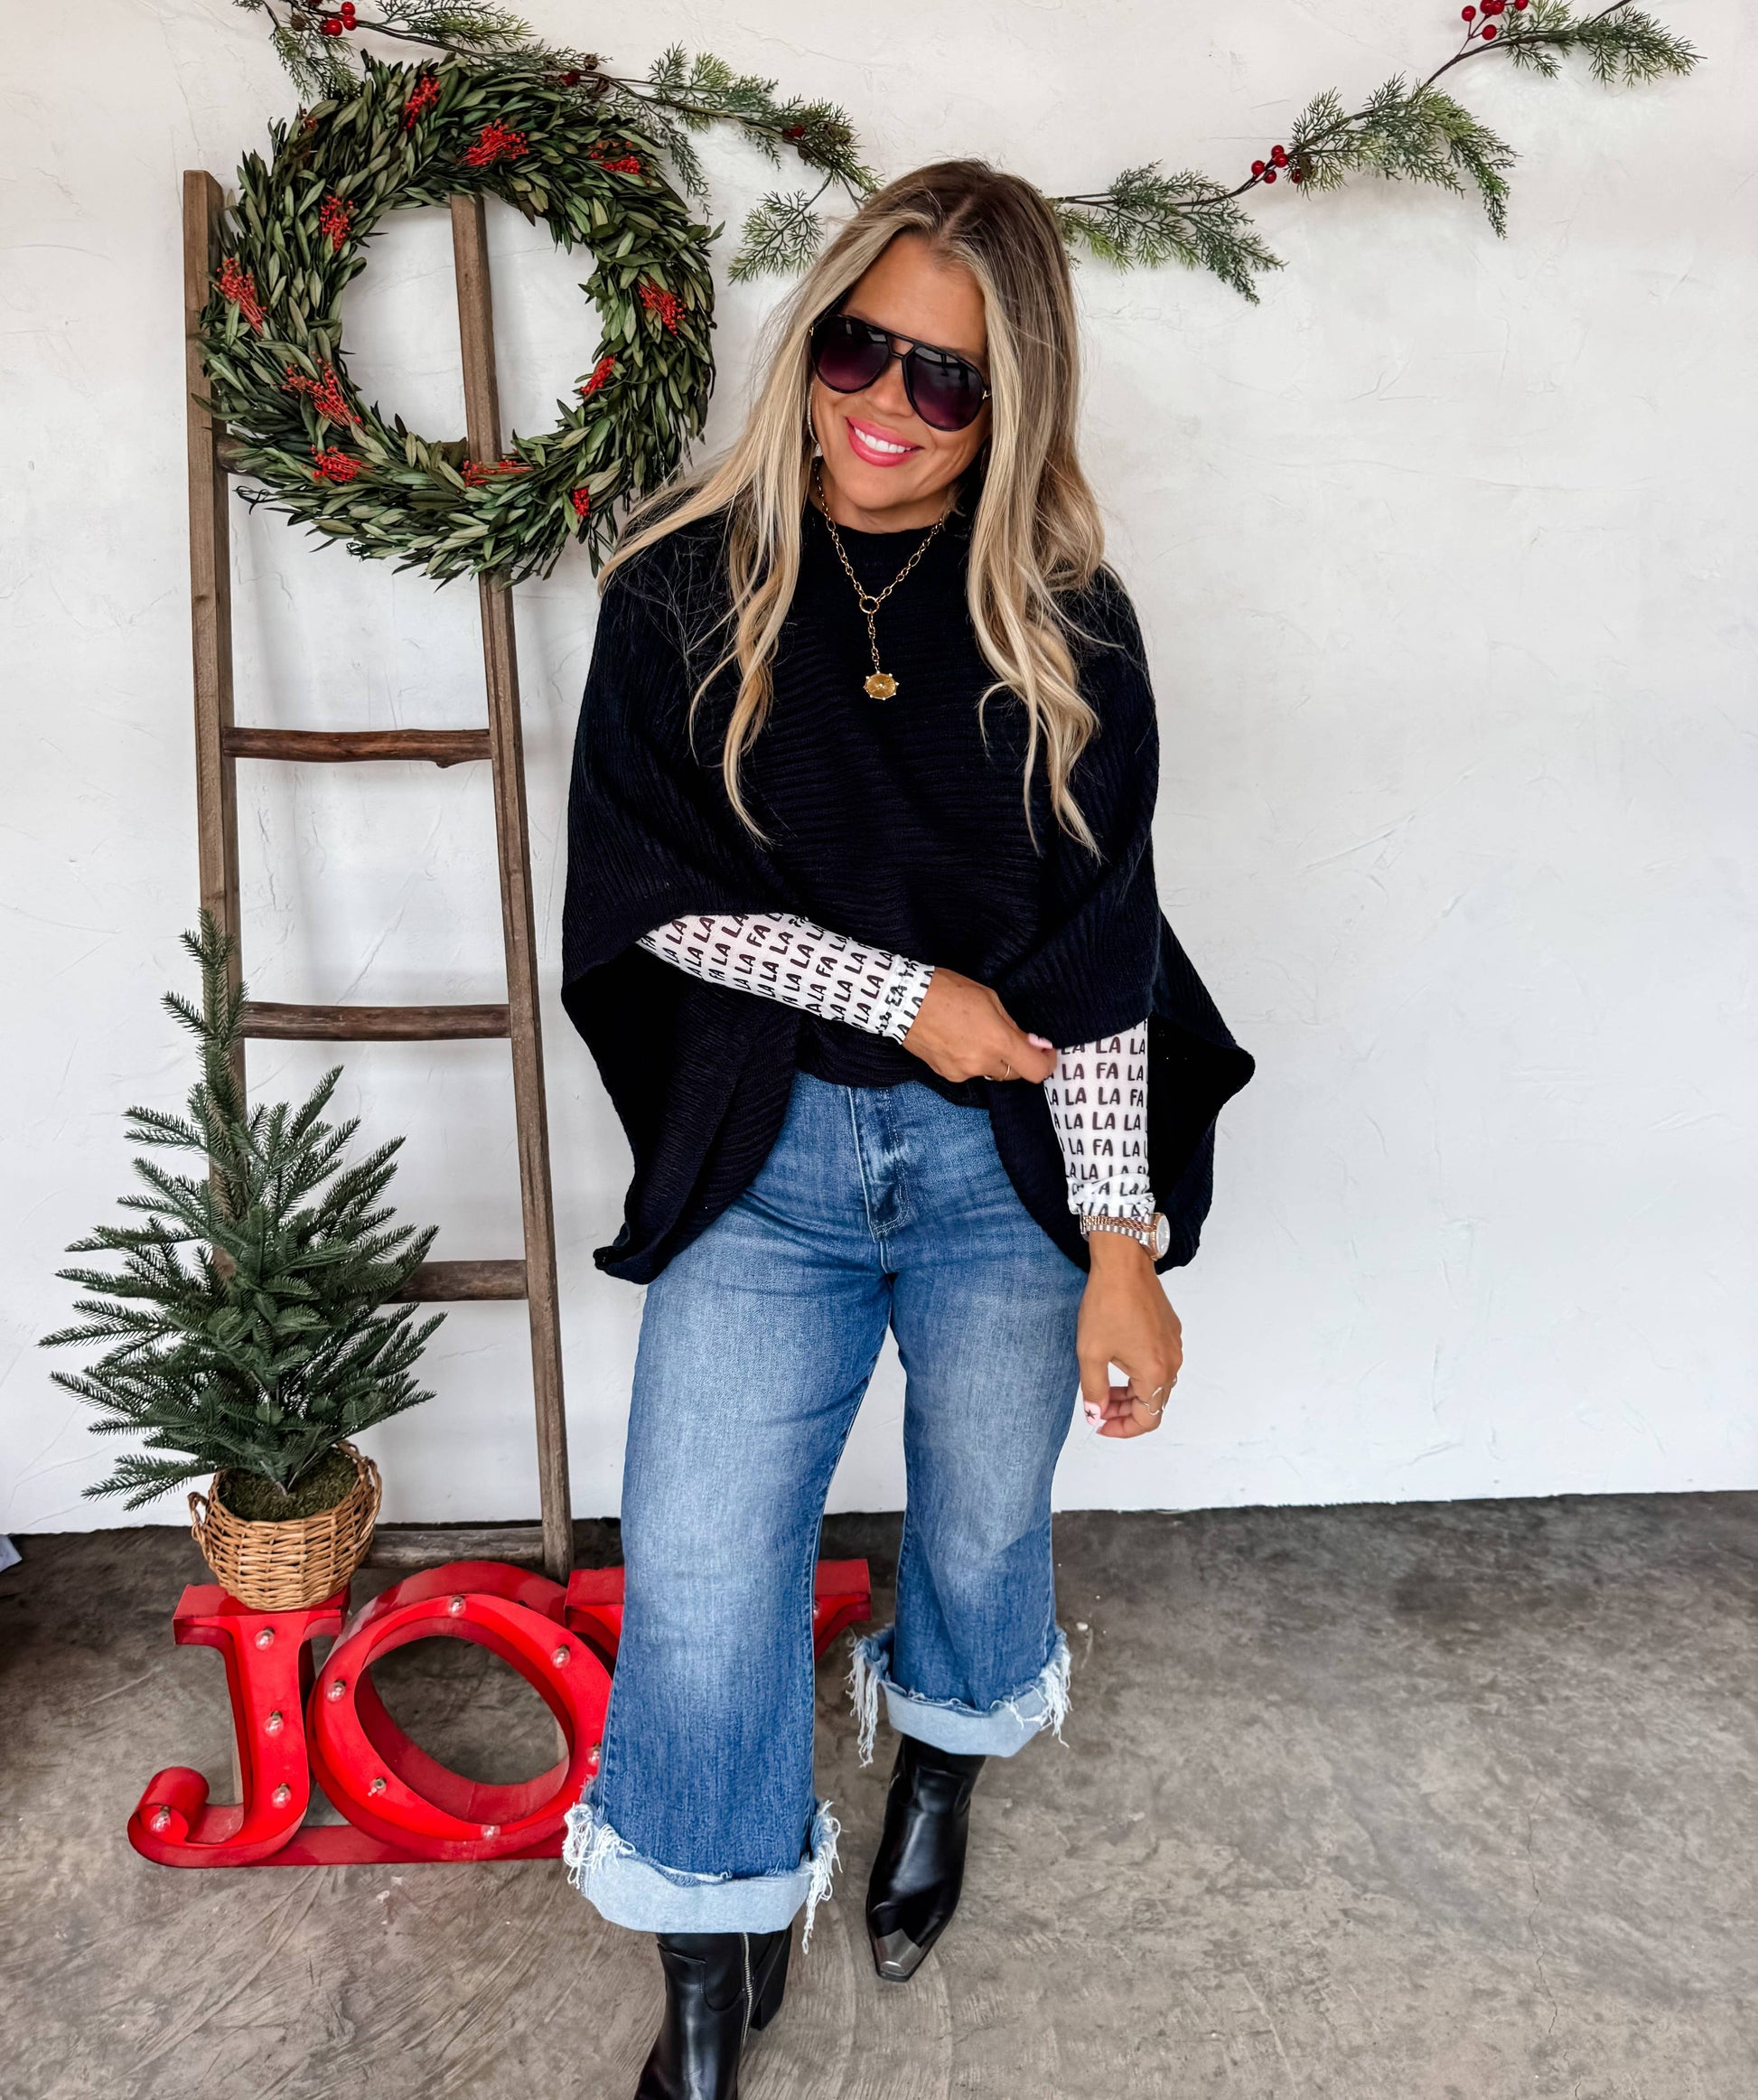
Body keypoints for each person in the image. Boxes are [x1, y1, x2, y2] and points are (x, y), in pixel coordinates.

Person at [559, 159, 1253, 2099]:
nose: (886, 402)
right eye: (859, 348)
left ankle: (939, 1769)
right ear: (811, 342)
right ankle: (716, 1950)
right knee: (702, 1564)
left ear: (1010, 399)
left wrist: (1121, 1249)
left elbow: (1101, 957)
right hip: (764, 1161)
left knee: (981, 1515)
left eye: (945, 376)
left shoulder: (1067, 626)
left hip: (997, 1179)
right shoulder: (679, 589)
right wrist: (901, 995)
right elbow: (644, 894)